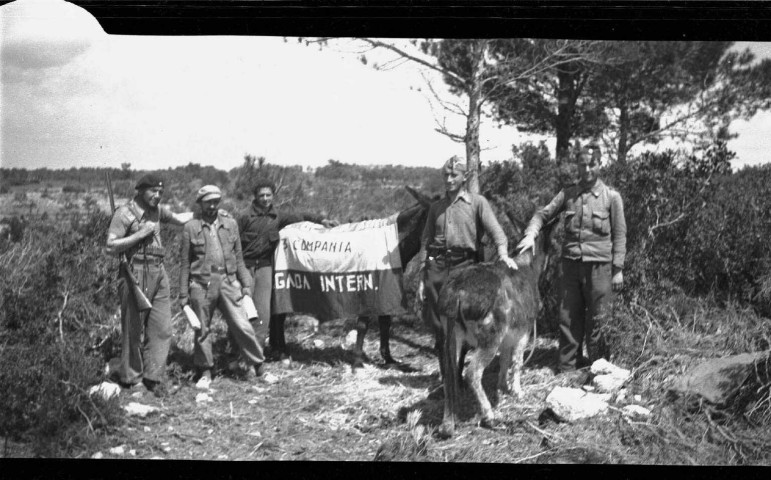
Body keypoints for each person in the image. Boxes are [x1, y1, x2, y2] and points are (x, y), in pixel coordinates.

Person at [517, 144, 626, 374]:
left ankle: (600, 367)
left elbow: (619, 234)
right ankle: (568, 368)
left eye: (591, 164)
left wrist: (618, 269)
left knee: (600, 319)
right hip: (570, 266)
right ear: (578, 166)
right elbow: (542, 214)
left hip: (600, 268)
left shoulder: (611, 197)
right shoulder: (568, 194)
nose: (586, 169)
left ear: (599, 164)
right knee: (568, 316)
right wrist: (530, 234)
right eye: (583, 164)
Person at [417, 155, 519, 371]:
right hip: (437, 269)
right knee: (439, 326)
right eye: (446, 174)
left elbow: (498, 234)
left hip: (465, 269)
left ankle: (457, 373)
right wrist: (421, 277)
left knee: (460, 326)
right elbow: (425, 242)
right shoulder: (436, 208)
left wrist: (503, 254)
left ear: (464, 177)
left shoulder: (477, 203)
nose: (449, 179)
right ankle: (447, 377)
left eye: (454, 175)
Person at [106, 174, 194, 396]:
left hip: (159, 270)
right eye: (153, 191)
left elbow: (180, 219)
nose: (157, 196)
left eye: (160, 192)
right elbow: (110, 246)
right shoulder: (124, 213)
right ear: (140, 190)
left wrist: (205, 212)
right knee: (133, 328)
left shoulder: (158, 211)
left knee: (162, 327)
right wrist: (140, 234)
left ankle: (154, 377)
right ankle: (132, 379)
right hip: (135, 271)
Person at [179, 185, 272, 389]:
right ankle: (205, 371)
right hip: (202, 284)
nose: (212, 206)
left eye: (215, 201)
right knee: (202, 329)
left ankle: (258, 367)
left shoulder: (230, 224)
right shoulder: (191, 228)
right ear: (200, 204)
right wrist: (183, 294)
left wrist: (246, 284)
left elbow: (238, 258)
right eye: (207, 202)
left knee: (242, 324)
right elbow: (185, 262)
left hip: (228, 281)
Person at [238, 179, 337, 363]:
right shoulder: (244, 217)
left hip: (265, 268)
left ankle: (255, 357)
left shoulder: (278, 216)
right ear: (255, 197)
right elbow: (233, 242)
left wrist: (322, 220)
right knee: (242, 312)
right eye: (262, 195)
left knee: (263, 314)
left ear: (273, 196)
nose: (265, 199)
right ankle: (237, 354)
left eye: (268, 195)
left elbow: (300, 215)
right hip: (245, 267)